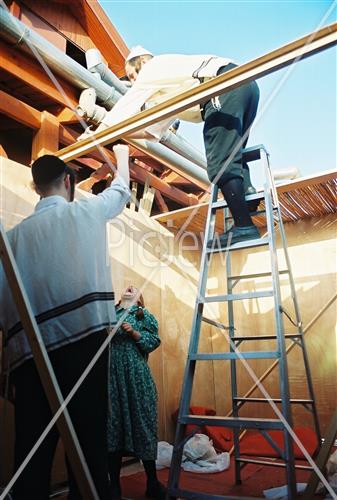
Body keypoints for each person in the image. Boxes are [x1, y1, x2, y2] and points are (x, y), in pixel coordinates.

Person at [0, 147, 130, 499]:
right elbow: (121, 192)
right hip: (83, 348)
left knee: (31, 452)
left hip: (30, 358)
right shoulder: (84, 212)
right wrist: (123, 155)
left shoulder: (11, 239)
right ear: (69, 182)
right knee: (87, 447)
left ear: (36, 187)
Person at [95, 45, 261, 248]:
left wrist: (98, 133)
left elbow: (126, 104)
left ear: (143, 62)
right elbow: (152, 133)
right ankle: (249, 197)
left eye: (132, 75)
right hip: (246, 86)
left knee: (220, 160)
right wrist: (120, 133)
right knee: (234, 152)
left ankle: (244, 226)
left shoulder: (152, 68)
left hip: (223, 85)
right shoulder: (172, 84)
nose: (133, 82)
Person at [107, 285, 165, 500]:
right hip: (112, 379)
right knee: (113, 427)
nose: (129, 286)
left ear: (140, 299)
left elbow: (153, 342)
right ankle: (114, 487)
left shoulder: (143, 314)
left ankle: (152, 482)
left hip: (136, 378)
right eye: (126, 287)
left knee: (143, 424)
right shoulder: (109, 313)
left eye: (135, 289)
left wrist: (133, 332)